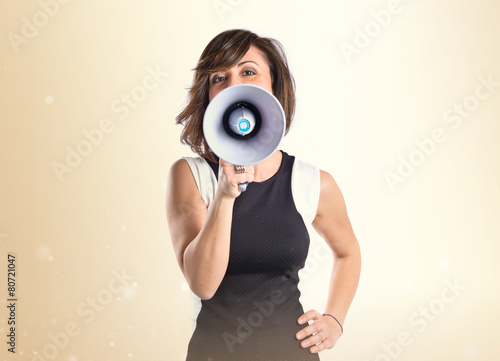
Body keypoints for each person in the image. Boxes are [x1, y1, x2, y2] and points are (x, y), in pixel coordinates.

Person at [166, 29, 361, 361]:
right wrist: (225, 197)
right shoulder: (191, 176)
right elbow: (203, 285)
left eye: (248, 71)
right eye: (218, 77)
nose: (233, 84)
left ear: (274, 86)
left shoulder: (310, 181)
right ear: (209, 95)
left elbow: (348, 253)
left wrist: (334, 321)